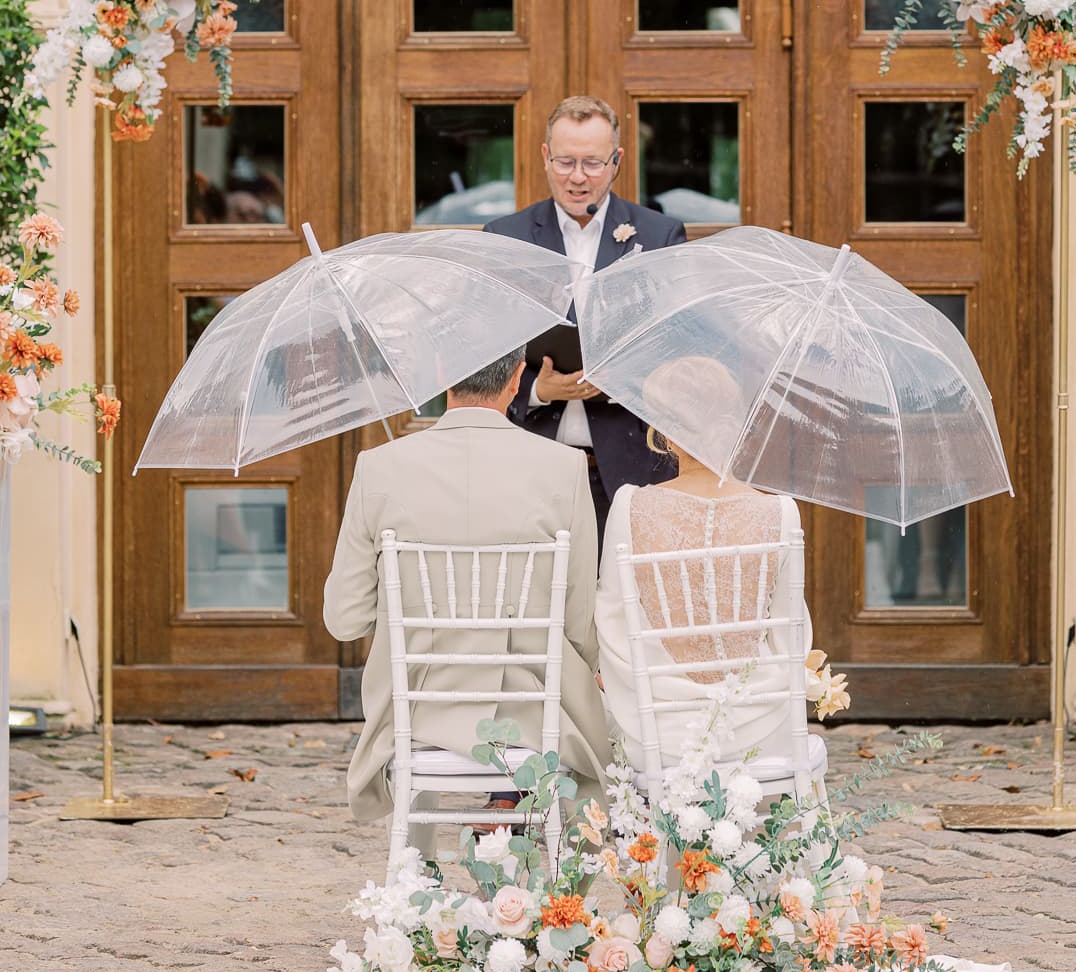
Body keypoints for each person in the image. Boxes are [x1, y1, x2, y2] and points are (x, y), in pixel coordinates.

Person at [322, 346, 610, 855]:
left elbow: (344, 620)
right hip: (533, 709)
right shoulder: (563, 467)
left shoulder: (379, 466)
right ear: (518, 377)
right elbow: (581, 623)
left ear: (439, 374)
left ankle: (421, 871)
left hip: (418, 711)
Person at [483, 95, 685, 536]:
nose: (577, 178)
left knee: (625, 603)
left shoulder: (658, 235)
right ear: (544, 156)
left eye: (592, 163)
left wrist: (619, 380)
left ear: (617, 161)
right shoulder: (505, 238)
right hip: (531, 465)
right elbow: (484, 352)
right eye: (565, 162)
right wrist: (538, 389)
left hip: (632, 468)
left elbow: (675, 345)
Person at [595, 356, 809, 769]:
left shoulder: (629, 505)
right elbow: (792, 636)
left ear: (667, 434)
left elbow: (613, 621)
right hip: (757, 726)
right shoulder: (781, 512)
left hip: (655, 727)